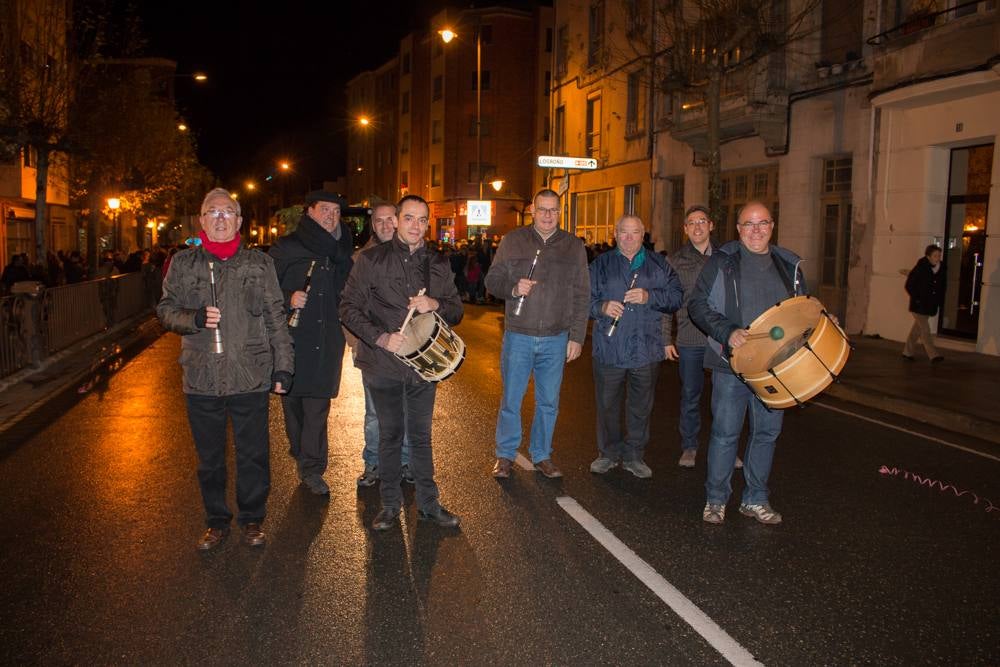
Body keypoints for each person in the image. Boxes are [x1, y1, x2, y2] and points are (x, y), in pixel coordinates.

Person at [157, 188, 293, 549]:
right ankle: (216, 521)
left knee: (253, 456)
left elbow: (275, 316)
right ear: (201, 220)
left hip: (249, 375)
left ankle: (252, 519)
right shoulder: (184, 263)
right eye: (212, 212)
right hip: (201, 378)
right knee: (210, 459)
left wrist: (284, 366)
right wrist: (195, 318)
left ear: (239, 221)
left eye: (227, 213)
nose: (220, 218)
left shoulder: (258, 264)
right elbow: (165, 311)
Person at [340, 194, 463, 531]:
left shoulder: (437, 262)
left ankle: (429, 504)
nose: (416, 226)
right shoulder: (371, 260)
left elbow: (456, 310)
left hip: (423, 366)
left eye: (423, 220)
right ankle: (390, 505)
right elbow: (348, 308)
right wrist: (381, 337)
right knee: (390, 435)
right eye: (409, 218)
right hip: (382, 364)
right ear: (395, 220)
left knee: (421, 437)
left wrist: (434, 303)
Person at [688, 201, 805, 526]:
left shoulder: (789, 265)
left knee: (766, 433)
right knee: (725, 434)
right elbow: (697, 305)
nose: (756, 230)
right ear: (738, 229)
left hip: (775, 368)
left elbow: (802, 312)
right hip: (731, 365)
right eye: (748, 224)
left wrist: (822, 324)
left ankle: (755, 499)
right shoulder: (722, 262)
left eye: (762, 223)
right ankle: (716, 499)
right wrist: (727, 332)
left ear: (771, 226)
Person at [485, 189, 589, 479]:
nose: (547, 215)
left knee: (548, 402)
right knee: (511, 399)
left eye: (553, 210)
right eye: (542, 209)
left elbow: (582, 295)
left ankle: (542, 454)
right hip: (519, 335)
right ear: (532, 210)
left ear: (560, 211)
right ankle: (505, 456)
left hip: (556, 338)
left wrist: (577, 337)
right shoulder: (513, 241)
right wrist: (513, 288)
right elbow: (492, 280)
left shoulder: (573, 246)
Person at [269, 190, 355, 495]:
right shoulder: (287, 247)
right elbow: (263, 290)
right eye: (324, 210)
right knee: (293, 406)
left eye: (335, 211)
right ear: (309, 212)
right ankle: (301, 451)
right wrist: (286, 298)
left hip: (328, 338)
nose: (331, 216)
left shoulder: (344, 249)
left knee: (318, 407)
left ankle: (313, 467)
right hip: (292, 339)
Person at [589, 215, 682, 478]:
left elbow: (676, 297)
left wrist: (649, 296)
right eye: (623, 232)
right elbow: (582, 299)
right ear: (615, 234)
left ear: (644, 235)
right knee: (607, 405)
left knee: (641, 407)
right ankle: (607, 453)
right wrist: (602, 307)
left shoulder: (658, 265)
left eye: (635, 233)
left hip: (646, 350)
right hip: (609, 349)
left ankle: (634, 456)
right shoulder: (601, 265)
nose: (629, 238)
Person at [352, 202, 413, 488]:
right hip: (375, 350)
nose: (386, 225)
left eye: (391, 219)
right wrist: (358, 341)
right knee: (375, 412)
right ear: (373, 225)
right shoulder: (362, 259)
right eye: (380, 221)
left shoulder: (416, 254)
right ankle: (373, 463)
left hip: (411, 352)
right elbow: (349, 307)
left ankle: (405, 462)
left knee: (409, 410)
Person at [663, 204, 720, 468]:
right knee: (690, 395)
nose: (697, 227)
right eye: (691, 223)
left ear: (711, 225)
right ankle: (689, 446)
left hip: (722, 339)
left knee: (725, 396)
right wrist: (666, 339)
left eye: (702, 221)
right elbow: (667, 304)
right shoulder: (675, 262)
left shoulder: (726, 257)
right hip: (690, 339)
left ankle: (725, 448)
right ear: (685, 229)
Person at [903, 245, 945, 363]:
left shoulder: (941, 269)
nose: (938, 258)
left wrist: (939, 301)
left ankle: (907, 351)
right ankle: (933, 355)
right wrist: (917, 298)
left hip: (929, 305)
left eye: (939, 256)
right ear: (928, 256)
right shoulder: (921, 267)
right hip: (919, 305)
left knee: (917, 329)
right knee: (925, 330)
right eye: (935, 256)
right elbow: (909, 285)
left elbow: (942, 287)